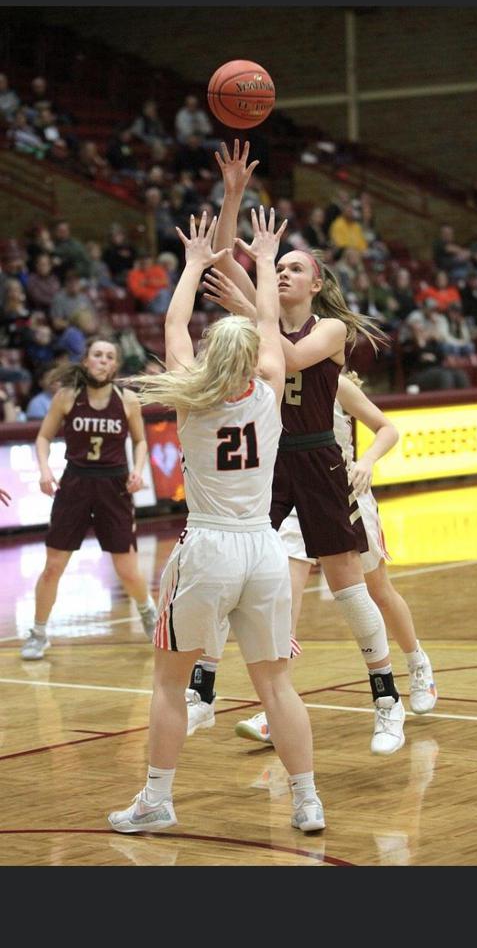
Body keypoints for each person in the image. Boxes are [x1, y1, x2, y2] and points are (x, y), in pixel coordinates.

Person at [108, 208, 325, 836]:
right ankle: (307, 800)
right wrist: (259, 260)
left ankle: (156, 799)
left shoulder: (189, 397)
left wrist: (195, 263)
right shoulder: (270, 386)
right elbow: (264, 323)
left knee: (170, 682)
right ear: (254, 357)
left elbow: (175, 321)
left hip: (207, 548)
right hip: (263, 547)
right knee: (277, 686)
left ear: (208, 358)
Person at [186, 140, 406, 757]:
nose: (280, 271)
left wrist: (251, 299)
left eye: (293, 268)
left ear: (317, 285)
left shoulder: (329, 329)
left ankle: (387, 700)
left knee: (347, 586)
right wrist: (232, 194)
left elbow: (285, 358)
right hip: (266, 457)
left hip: (316, 456)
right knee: (230, 568)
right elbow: (226, 257)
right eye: (276, 267)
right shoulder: (263, 313)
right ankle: (202, 691)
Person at [198, 369, 437, 744]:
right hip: (292, 497)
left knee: (378, 592)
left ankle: (417, 661)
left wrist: (367, 462)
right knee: (285, 601)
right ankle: (277, 707)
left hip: (341, 493)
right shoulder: (270, 380)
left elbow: (387, 428)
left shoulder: (333, 382)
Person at [20, 335, 158, 660]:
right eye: (97, 355)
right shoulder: (68, 396)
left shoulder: (128, 400)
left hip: (114, 487)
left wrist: (138, 469)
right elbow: (42, 436)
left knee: (127, 569)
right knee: (53, 567)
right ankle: (38, 632)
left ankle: (148, 611)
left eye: (110, 356)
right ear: (86, 361)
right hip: (76, 484)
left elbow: (140, 442)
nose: (103, 360)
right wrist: (44, 469)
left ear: (116, 365)